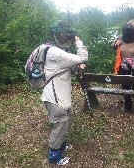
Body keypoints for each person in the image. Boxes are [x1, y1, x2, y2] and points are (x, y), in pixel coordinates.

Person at [41, 21, 88, 165]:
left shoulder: (52, 49)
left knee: (65, 121)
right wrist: (79, 41)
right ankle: (54, 155)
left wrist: (76, 67)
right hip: (55, 98)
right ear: (58, 35)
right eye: (65, 34)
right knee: (60, 123)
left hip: (59, 95)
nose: (67, 37)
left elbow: (67, 68)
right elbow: (83, 57)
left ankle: (61, 144)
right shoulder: (55, 52)